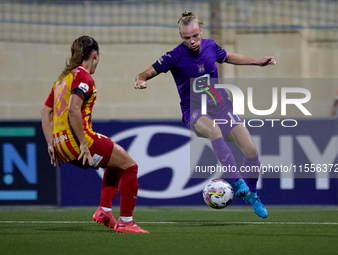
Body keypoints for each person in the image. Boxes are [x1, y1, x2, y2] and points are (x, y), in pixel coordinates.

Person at [134, 11, 277, 219]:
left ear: (200, 30)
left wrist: (257, 62)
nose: (192, 41)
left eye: (195, 36)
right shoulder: (173, 57)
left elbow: (228, 57)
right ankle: (238, 182)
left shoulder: (210, 46)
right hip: (194, 111)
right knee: (213, 129)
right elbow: (146, 72)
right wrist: (139, 80)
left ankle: (252, 195)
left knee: (251, 150)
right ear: (181, 37)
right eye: (186, 38)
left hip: (220, 106)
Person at [41, 35, 148, 233]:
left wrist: (50, 144)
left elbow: (45, 111)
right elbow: (74, 109)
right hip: (79, 142)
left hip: (60, 145)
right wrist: (83, 144)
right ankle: (126, 222)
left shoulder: (62, 79)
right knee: (130, 167)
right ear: (95, 55)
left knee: (117, 161)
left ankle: (104, 211)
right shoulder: (83, 76)